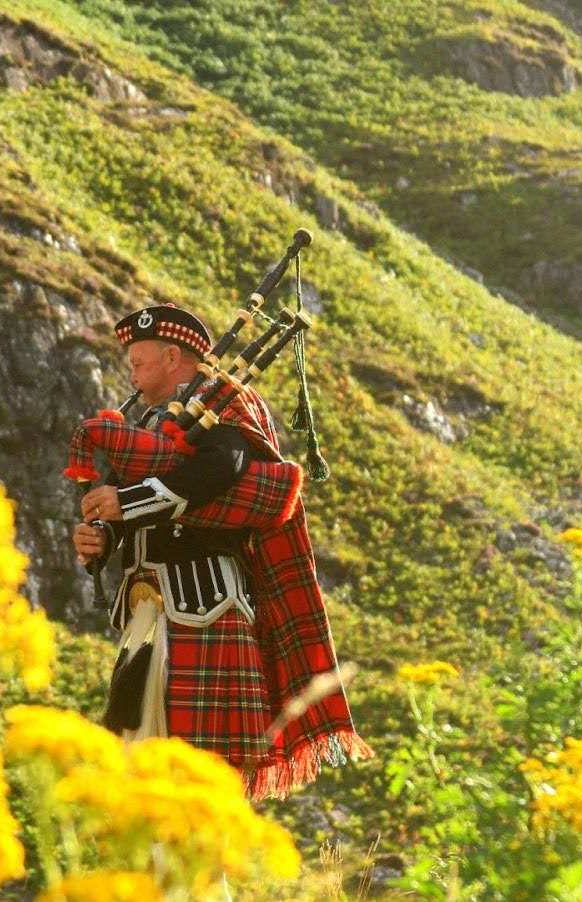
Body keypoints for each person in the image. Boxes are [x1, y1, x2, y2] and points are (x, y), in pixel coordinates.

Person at [73, 303, 371, 797]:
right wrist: (103, 539)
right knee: (139, 768)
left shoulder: (227, 403)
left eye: (139, 361)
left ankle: (200, 874)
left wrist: (126, 503)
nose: (131, 370)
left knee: (197, 776)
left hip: (205, 609)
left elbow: (221, 472)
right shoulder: (146, 423)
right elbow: (125, 512)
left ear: (173, 357)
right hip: (147, 616)